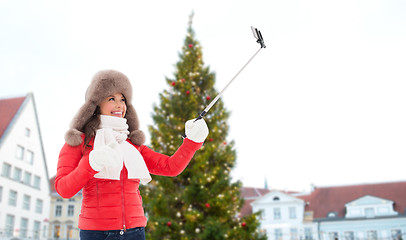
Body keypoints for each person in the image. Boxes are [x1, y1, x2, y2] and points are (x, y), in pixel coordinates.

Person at [55, 70, 209, 240]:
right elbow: (63, 189)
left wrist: (192, 141)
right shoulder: (80, 142)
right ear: (97, 104)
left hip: (134, 232)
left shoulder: (132, 145)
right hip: (97, 233)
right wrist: (91, 163)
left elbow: (170, 167)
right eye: (111, 98)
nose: (119, 105)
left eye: (123, 99)